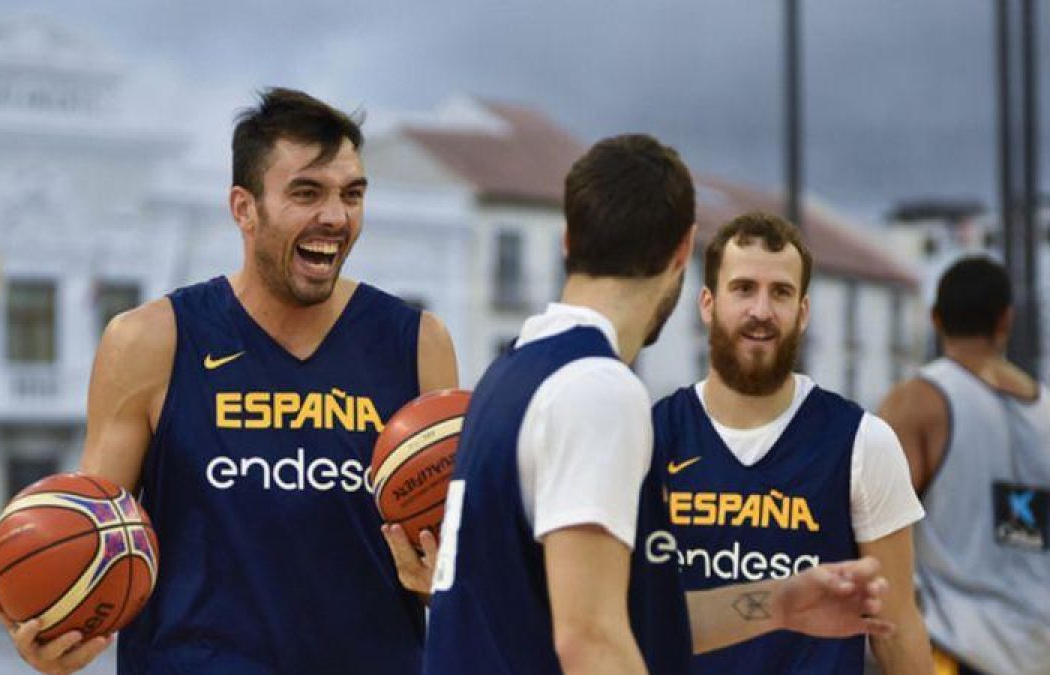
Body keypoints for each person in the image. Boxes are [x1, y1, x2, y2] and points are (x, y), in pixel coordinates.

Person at [0, 87, 458, 674]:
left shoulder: (416, 343)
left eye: (352, 194)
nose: (335, 217)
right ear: (244, 207)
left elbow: (446, 560)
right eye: (306, 193)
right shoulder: (150, 341)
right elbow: (93, 536)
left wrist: (441, 582)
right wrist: (58, 622)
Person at [421, 135, 894, 675]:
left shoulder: (514, 372)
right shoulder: (595, 387)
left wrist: (781, 603)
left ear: (568, 239)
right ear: (684, 250)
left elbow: (626, 618)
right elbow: (592, 641)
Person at [651, 212, 933, 674]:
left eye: (780, 293)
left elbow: (898, 627)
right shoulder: (654, 437)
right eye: (743, 289)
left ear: (802, 313)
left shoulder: (863, 441)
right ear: (707, 303)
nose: (761, 310)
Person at [878, 256, 1050, 675]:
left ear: (935, 318)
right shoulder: (1046, 408)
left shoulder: (920, 401)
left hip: (954, 649)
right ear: (1005, 320)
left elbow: (872, 527)